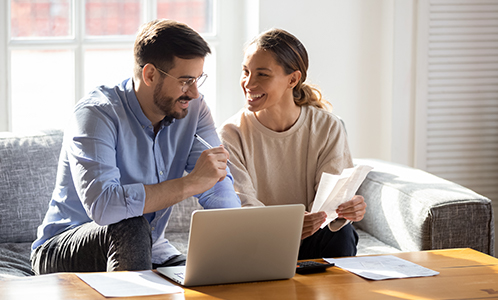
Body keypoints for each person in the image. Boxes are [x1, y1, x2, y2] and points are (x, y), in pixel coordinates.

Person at [31, 19, 240, 274]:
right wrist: (189, 183)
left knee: (213, 276)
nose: (194, 92)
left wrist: (238, 240)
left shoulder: (193, 109)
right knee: (131, 225)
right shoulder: (96, 115)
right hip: (63, 247)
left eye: (198, 79)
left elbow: (217, 183)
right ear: (150, 74)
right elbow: (105, 206)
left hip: (151, 248)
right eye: (186, 81)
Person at [218, 28, 366, 259]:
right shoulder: (231, 134)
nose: (248, 83)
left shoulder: (328, 126)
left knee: (341, 233)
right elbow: (242, 207)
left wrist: (347, 209)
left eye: (262, 74)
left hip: (314, 236)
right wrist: (289, 225)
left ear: (293, 79)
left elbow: (331, 202)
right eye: (245, 71)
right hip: (259, 241)